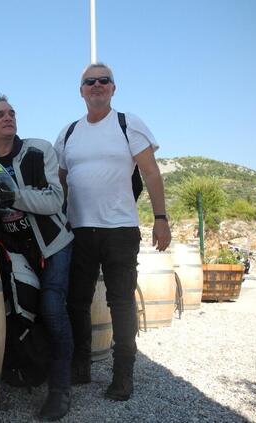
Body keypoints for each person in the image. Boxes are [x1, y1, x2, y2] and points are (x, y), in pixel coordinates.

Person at [54, 62, 171, 401]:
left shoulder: (128, 123)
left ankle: (123, 375)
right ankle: (81, 365)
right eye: (90, 81)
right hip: (78, 229)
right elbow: (61, 180)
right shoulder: (68, 132)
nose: (97, 85)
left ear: (113, 88)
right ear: (81, 90)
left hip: (120, 229)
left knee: (120, 302)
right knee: (77, 301)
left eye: (104, 80)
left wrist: (160, 218)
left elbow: (151, 173)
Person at [0, 94, 74, 421]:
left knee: (51, 306)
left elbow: (54, 200)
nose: (8, 117)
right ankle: (22, 369)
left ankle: (60, 389)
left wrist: (11, 196)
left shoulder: (39, 149)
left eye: (11, 113)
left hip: (52, 244)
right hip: (12, 251)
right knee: (14, 310)